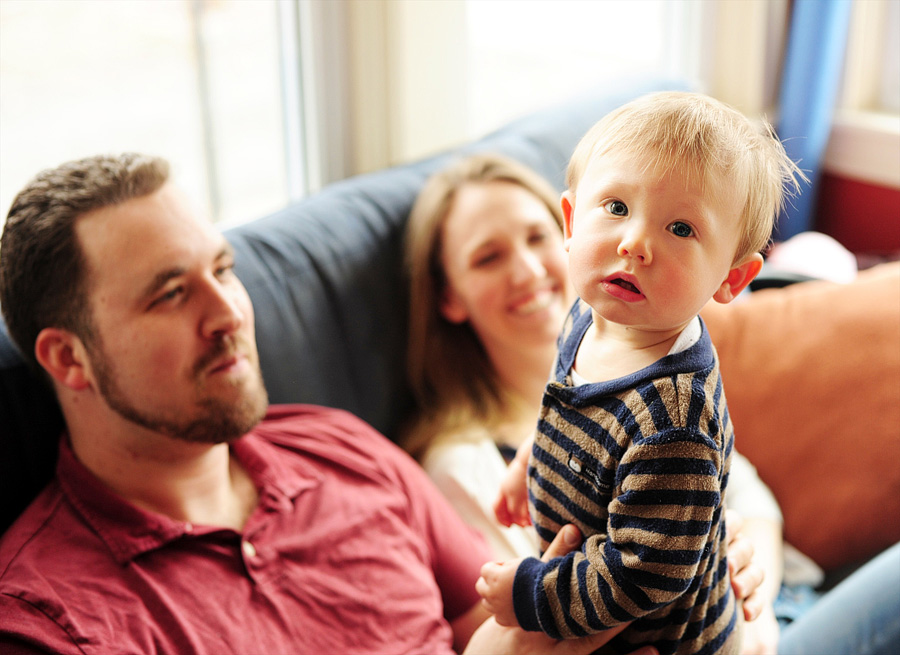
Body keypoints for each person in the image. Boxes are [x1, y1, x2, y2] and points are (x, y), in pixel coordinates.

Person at [0, 153, 656, 655]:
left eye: (223, 270)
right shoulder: (45, 620)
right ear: (68, 359)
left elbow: (480, 620)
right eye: (171, 293)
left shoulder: (343, 448)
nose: (229, 311)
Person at [403, 148, 900, 654]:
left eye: (536, 236)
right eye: (488, 258)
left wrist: (757, 579)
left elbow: (745, 489)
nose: (527, 268)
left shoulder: (653, 360)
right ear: (450, 298)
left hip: (762, 607)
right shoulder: (465, 463)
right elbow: (528, 613)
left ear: (565, 230)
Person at [479, 92, 804, 654]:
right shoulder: (588, 317)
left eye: (681, 228)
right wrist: (532, 461)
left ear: (731, 279)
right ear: (572, 220)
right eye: (617, 208)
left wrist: (533, 595)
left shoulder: (675, 418)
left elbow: (641, 574)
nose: (635, 243)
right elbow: (569, 407)